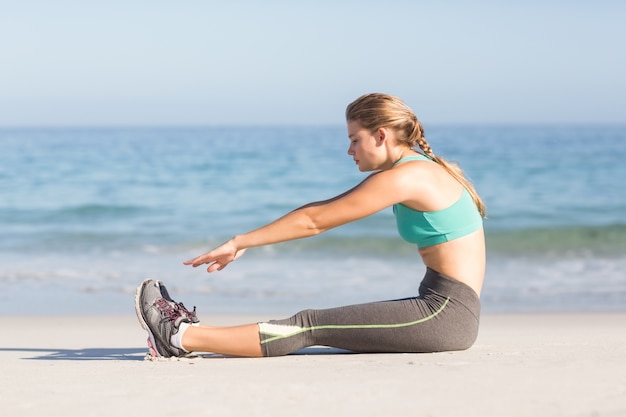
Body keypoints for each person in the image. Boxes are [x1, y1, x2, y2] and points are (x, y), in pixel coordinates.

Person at [135, 93, 487, 358]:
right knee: (312, 321)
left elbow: (314, 221)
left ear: (381, 136)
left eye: (355, 139)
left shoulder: (409, 177)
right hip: (444, 307)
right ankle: (189, 334)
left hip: (445, 314)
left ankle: (180, 337)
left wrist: (239, 241)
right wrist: (244, 242)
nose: (350, 150)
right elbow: (322, 209)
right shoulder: (420, 169)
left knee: (309, 324)